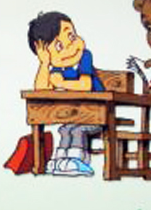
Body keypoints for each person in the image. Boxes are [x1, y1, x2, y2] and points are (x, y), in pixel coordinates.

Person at [27, 11, 103, 176]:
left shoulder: (84, 57)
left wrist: (62, 83)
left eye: (72, 36)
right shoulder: (58, 66)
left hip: (98, 114)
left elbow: (85, 85)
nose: (71, 46)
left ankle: (79, 160)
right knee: (65, 129)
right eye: (59, 46)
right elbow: (41, 90)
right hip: (74, 115)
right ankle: (61, 160)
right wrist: (44, 63)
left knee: (76, 130)